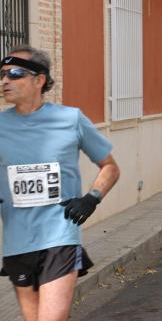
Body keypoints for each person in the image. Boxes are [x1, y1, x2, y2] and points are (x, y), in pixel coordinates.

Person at [0, 45, 120, 321]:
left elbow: (110, 167)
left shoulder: (70, 119)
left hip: (59, 237)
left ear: (39, 80)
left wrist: (91, 198)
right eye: (2, 74)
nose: (5, 80)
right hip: (17, 241)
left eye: (15, 73)